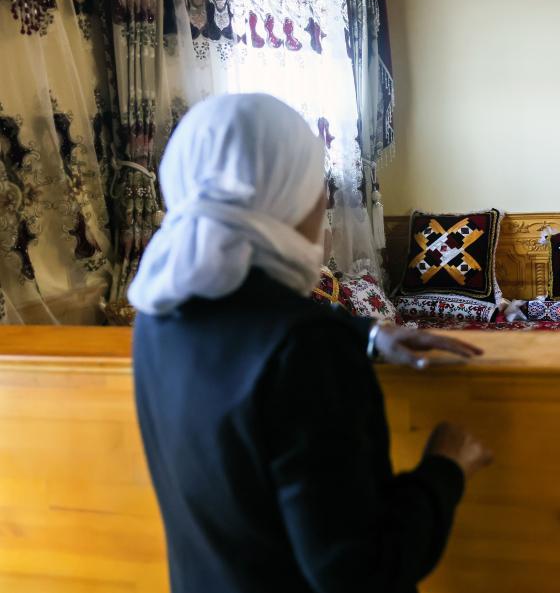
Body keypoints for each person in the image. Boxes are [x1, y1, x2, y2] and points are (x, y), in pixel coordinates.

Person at [128, 93, 492, 593]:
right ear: (286, 194)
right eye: (315, 182)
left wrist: (368, 334)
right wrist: (445, 469)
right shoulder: (308, 348)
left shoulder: (157, 315)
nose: (323, 201)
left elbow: (244, 352)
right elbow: (359, 570)